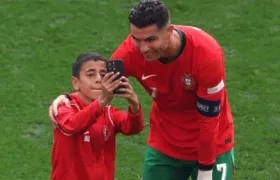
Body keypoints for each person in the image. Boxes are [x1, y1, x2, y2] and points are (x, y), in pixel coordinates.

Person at [49, 0, 235, 180]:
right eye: (136, 39)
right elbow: (101, 83)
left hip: (213, 146)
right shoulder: (128, 53)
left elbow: (209, 120)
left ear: (170, 31)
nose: (143, 48)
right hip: (165, 146)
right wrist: (67, 98)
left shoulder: (206, 55)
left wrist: (205, 169)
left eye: (151, 39)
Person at [50, 52, 144, 180]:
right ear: (75, 83)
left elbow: (133, 128)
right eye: (90, 75)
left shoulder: (109, 113)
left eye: (103, 75)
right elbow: (72, 125)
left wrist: (134, 104)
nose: (99, 79)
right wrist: (103, 100)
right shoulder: (63, 107)